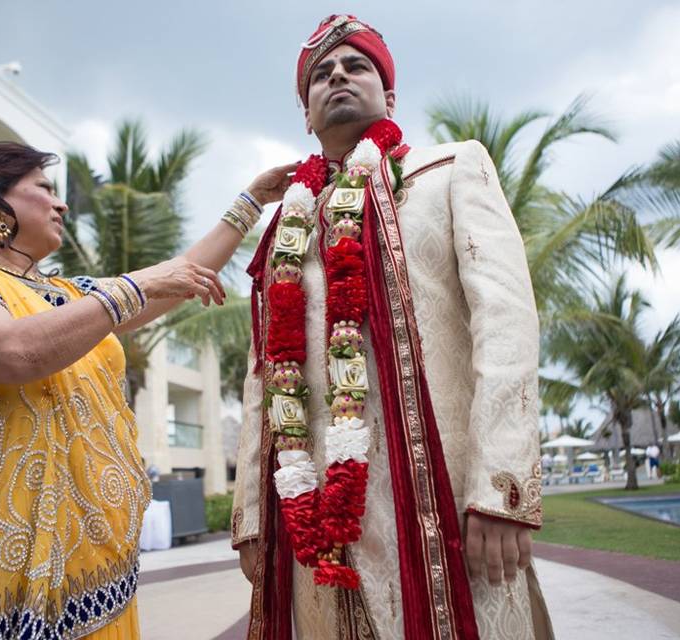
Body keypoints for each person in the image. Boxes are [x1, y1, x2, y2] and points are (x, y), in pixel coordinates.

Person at [0, 141, 295, 639]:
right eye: (45, 188)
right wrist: (138, 285)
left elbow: (181, 275)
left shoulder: (67, 296)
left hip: (83, 545)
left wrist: (251, 201)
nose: (61, 204)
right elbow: (16, 353)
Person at [231, 15, 553, 639]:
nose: (339, 77)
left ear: (391, 95)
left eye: (356, 67)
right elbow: (261, 378)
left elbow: (507, 320)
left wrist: (501, 484)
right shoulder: (283, 232)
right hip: (313, 518)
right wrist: (254, 520)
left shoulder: (452, 169)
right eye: (321, 75)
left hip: (447, 502)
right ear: (306, 114)